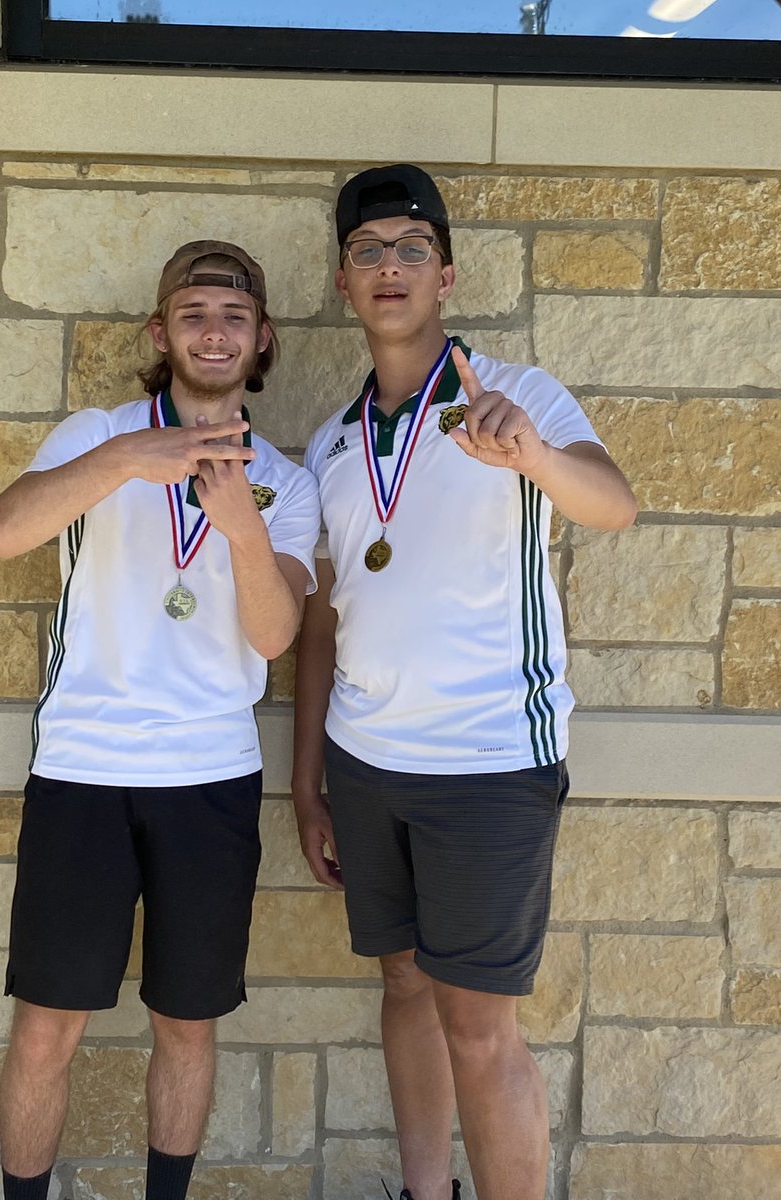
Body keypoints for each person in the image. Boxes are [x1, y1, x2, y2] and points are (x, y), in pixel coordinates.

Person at [292, 166, 637, 1200]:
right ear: (345, 282)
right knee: (403, 982)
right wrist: (308, 784)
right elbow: (320, 625)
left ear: (446, 274)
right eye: (367, 250)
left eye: (409, 248)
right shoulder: (331, 444)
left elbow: (613, 504)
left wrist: (532, 455)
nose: (388, 266)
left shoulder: (514, 395)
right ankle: (423, 1191)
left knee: (481, 1027)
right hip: (366, 765)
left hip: (490, 764)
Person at [0, 240, 320, 1200]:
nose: (214, 332)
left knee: (187, 1021)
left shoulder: (287, 485)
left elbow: (272, 634)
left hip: (209, 780)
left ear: (262, 343)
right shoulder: (98, 433)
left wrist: (238, 521)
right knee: (48, 1024)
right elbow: (2, 534)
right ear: (160, 332)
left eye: (234, 318)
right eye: (194, 313)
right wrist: (132, 456)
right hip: (83, 772)